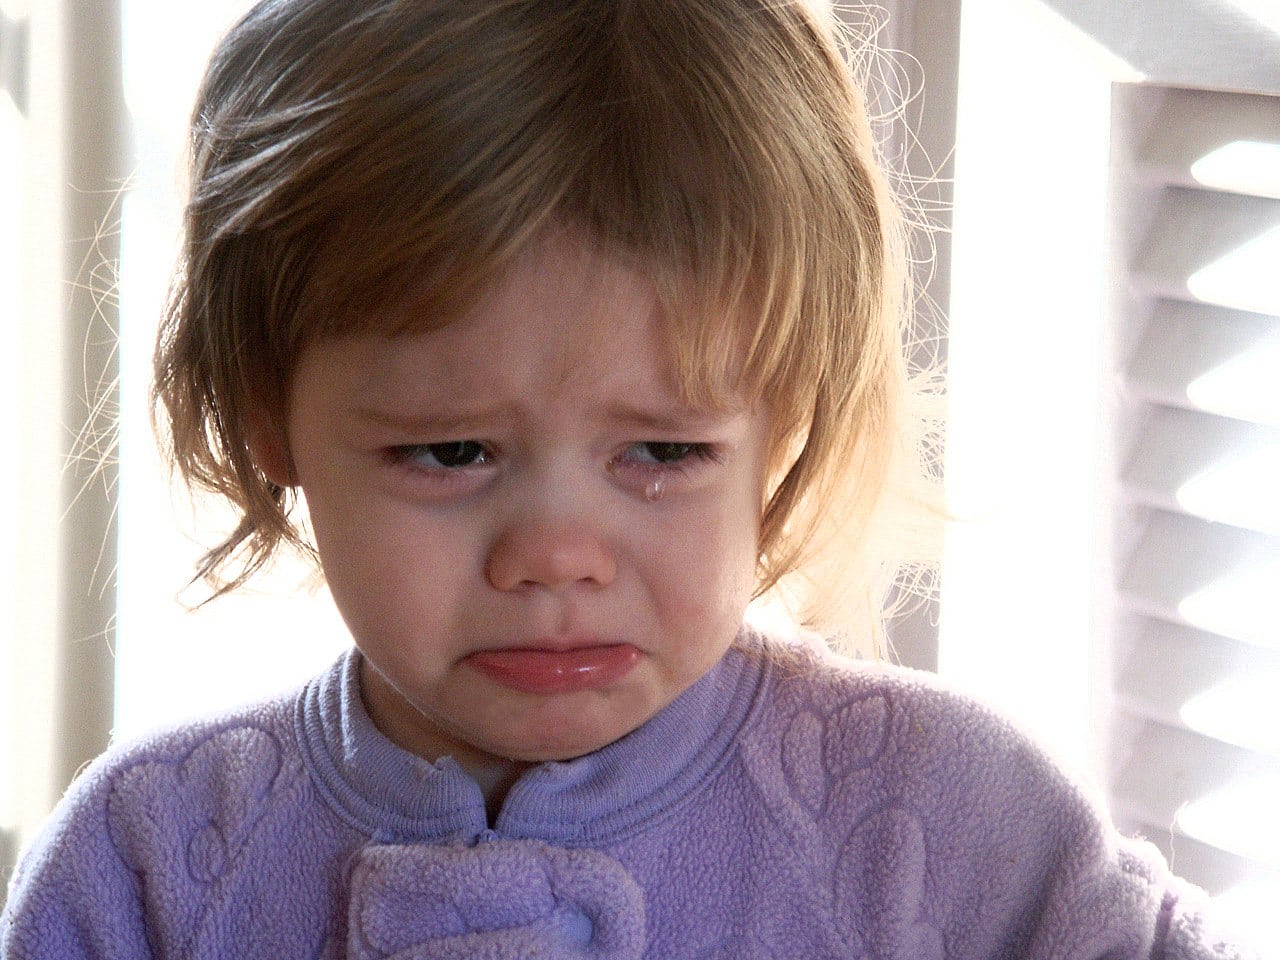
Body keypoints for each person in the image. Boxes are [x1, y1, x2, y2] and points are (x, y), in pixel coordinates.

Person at [0, 1, 1257, 958]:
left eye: (659, 452)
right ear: (268, 419)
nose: (556, 555)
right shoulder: (153, 859)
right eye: (449, 451)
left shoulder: (945, 822)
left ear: (784, 427)